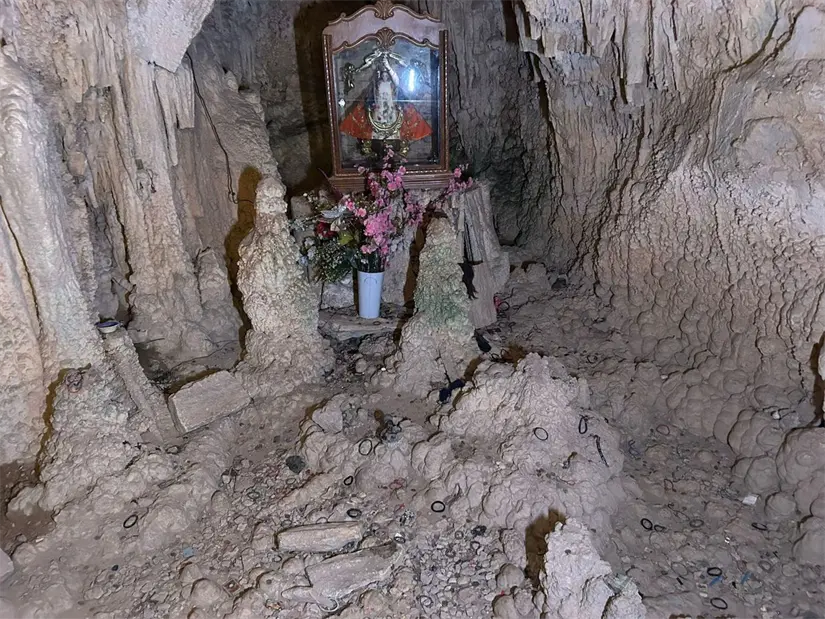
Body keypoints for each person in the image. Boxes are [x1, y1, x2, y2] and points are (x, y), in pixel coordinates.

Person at [339, 56, 432, 146]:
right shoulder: (377, 84)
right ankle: (379, 140)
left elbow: (397, 81)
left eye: (386, 75)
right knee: (378, 122)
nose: (384, 76)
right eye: (383, 75)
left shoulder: (392, 84)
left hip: (391, 107)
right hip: (379, 108)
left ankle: (391, 141)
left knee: (392, 121)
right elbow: (372, 94)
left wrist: (388, 67)